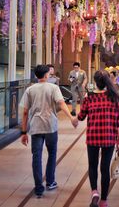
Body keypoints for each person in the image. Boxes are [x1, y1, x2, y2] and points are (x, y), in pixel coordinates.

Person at [20, 65, 78, 198]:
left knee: (36, 156)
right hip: (50, 126)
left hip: (35, 127)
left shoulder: (30, 90)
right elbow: (61, 103)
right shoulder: (53, 88)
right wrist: (71, 118)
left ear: (36, 76)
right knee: (52, 153)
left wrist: (23, 133)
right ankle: (50, 181)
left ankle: (38, 188)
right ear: (46, 75)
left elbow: (24, 112)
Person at [76, 70, 119, 207]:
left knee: (92, 165)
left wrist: (75, 118)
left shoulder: (89, 97)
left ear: (95, 82)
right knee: (105, 168)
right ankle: (103, 200)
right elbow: (117, 123)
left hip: (92, 137)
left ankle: (94, 191)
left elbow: (81, 116)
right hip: (109, 138)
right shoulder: (113, 97)